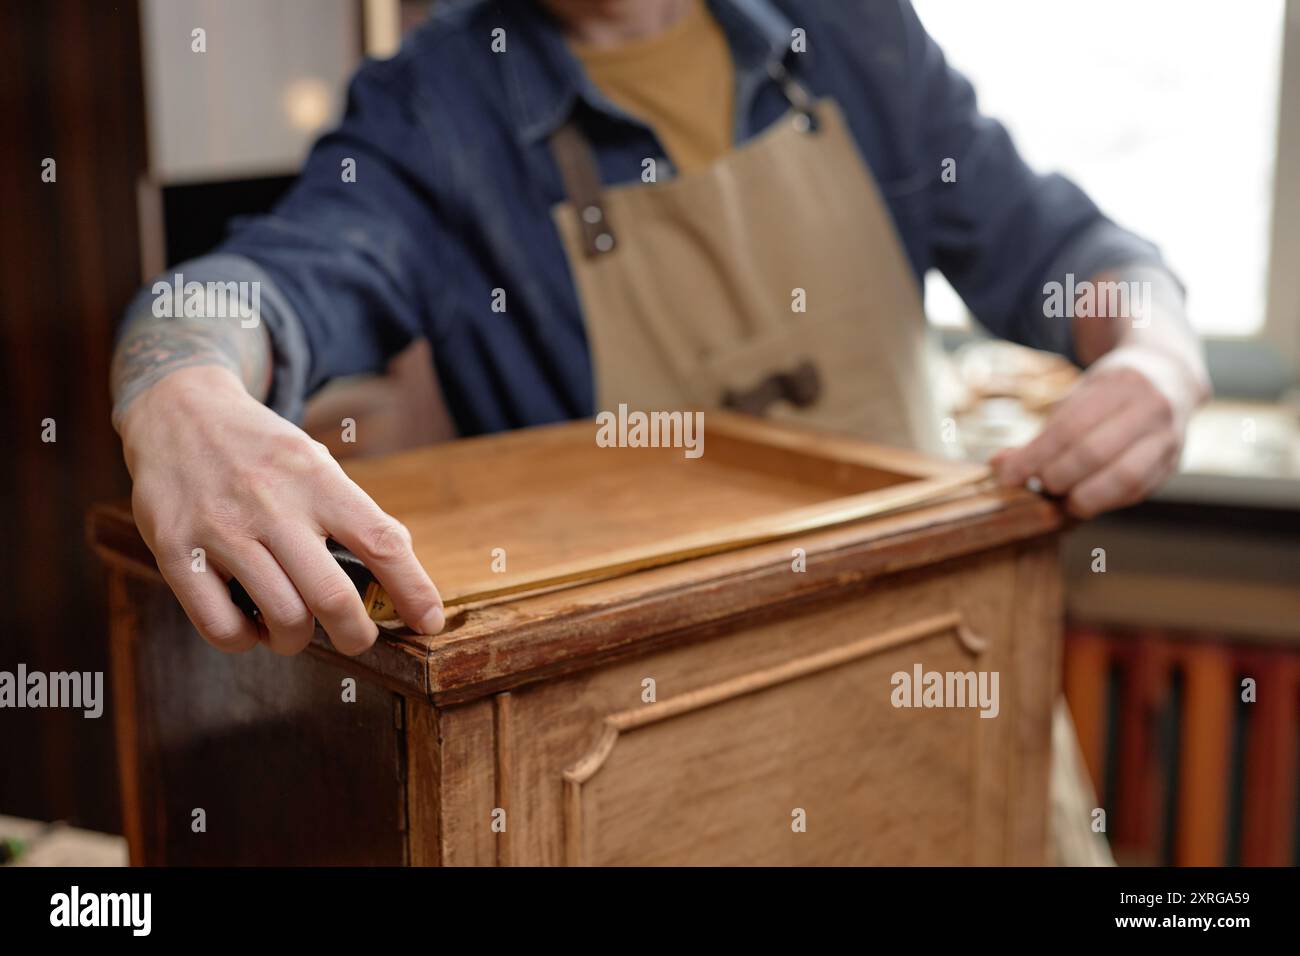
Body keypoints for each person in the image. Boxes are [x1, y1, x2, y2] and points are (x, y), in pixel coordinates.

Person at [110, 0, 1209, 863]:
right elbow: (266, 284)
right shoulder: (434, 104)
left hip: (946, 690)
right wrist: (179, 390)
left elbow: (1064, 250)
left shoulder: (850, 27)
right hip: (653, 767)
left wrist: (1155, 348)